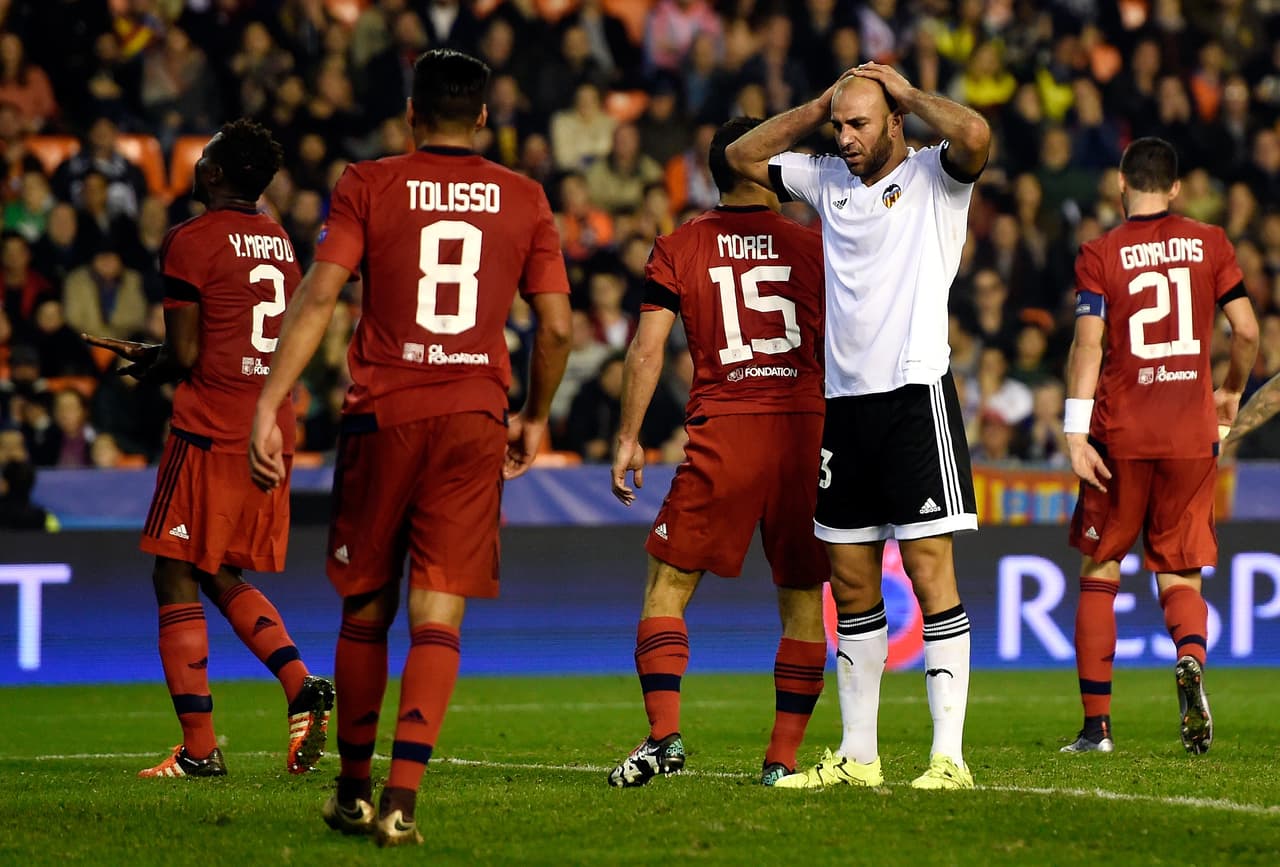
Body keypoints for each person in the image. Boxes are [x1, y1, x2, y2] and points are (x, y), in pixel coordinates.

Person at [248, 49, 571, 847]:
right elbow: (558, 324)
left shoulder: (367, 182)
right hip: (474, 418)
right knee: (439, 613)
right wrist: (535, 413)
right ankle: (402, 804)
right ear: (485, 117)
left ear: (412, 114)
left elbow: (321, 293)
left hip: (383, 414)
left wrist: (269, 401)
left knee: (367, 605)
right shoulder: (525, 196)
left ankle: (353, 790)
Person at [726, 62, 991, 790]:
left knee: (931, 569)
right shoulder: (826, 179)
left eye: (859, 124)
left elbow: (975, 131)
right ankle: (860, 756)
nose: (845, 138)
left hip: (915, 398)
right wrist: (817, 104)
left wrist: (905, 93)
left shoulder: (940, 174)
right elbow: (740, 157)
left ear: (896, 120)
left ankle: (949, 757)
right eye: (839, 126)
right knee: (849, 581)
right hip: (845, 407)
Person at [83, 119, 335, 780]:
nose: (197, 160)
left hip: (211, 425)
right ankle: (300, 684)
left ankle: (200, 747)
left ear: (218, 173)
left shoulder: (189, 240)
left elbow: (190, 352)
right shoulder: (279, 239)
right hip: (268, 424)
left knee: (173, 568)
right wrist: (162, 355)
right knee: (219, 570)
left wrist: (155, 361)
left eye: (207, 154)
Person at [607, 117, 828, 788]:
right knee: (802, 602)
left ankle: (665, 737)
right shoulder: (816, 245)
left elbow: (648, 346)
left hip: (724, 431)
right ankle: (781, 759)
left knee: (667, 588)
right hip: (804, 431)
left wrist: (628, 435)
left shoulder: (678, 246)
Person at [1061, 137, 1258, 756]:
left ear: (1122, 185)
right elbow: (1247, 330)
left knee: (1101, 568)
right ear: (1175, 188)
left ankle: (1097, 729)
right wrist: (1228, 392)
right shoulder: (1212, 243)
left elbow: (1089, 345)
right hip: (1189, 436)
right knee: (1179, 572)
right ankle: (1191, 660)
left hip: (1120, 434)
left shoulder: (1101, 252)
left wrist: (1073, 428)